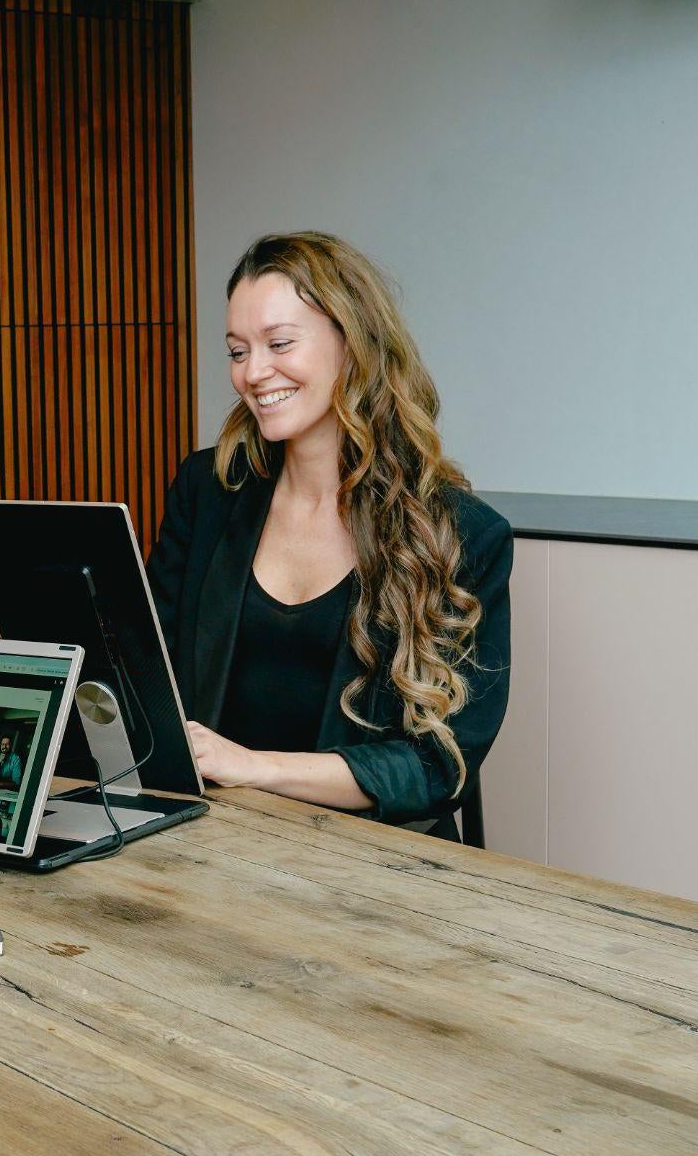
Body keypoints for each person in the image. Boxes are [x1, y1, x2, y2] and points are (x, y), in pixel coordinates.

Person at [146, 232, 511, 837]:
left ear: (353, 342)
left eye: (279, 343)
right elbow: (144, 673)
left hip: (367, 863)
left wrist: (253, 767)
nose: (253, 373)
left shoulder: (463, 534)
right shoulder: (208, 491)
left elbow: (437, 766)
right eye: (237, 351)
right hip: (211, 840)